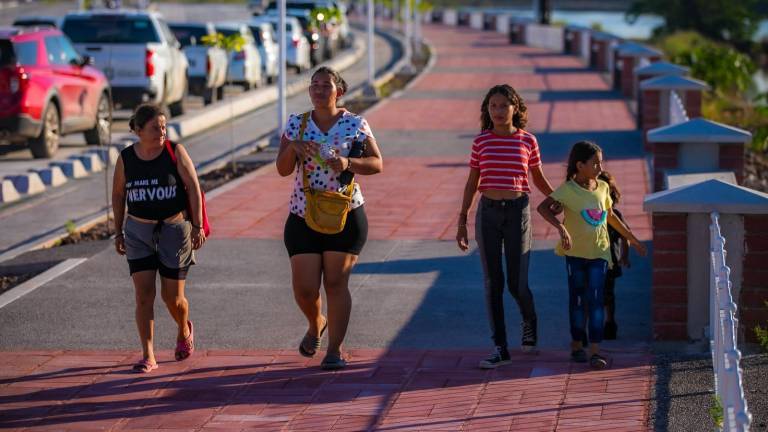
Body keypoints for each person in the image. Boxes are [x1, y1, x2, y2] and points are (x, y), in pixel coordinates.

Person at [276, 67, 383, 370]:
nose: (320, 90)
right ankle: (316, 323)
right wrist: (293, 148)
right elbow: (282, 169)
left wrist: (347, 162)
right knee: (305, 289)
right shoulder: (296, 124)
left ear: (339, 91)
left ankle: (334, 350)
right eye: (315, 85)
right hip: (303, 213)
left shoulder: (355, 124)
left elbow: (377, 163)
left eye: (326, 85)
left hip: (345, 214)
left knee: (336, 283)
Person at [456, 84, 558, 369]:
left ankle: (529, 320)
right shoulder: (481, 142)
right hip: (487, 213)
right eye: (493, 106)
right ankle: (500, 347)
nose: (498, 111)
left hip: (518, 213)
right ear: (487, 110)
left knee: (517, 283)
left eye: (503, 105)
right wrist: (462, 219)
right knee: (493, 283)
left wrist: (558, 199)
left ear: (516, 108)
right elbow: (472, 182)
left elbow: (537, 177)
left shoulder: (527, 141)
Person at [112, 103, 206, 373]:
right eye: (155, 128)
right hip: (138, 232)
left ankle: (183, 327)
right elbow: (118, 195)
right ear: (138, 130)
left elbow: (194, 188)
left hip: (174, 230)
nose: (162, 132)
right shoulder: (126, 158)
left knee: (172, 298)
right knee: (143, 296)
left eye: (164, 126)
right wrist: (118, 230)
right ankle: (148, 355)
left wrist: (197, 226)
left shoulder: (174, 151)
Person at [537, 141, 646, 370]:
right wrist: (561, 228)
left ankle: (596, 350)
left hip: (600, 253)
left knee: (596, 300)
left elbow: (611, 218)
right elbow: (543, 208)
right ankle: (577, 344)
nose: (600, 166)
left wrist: (632, 239)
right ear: (580, 165)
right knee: (578, 300)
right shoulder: (567, 190)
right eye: (595, 162)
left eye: (600, 162)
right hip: (575, 254)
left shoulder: (603, 187)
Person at [599, 171, 629, 340]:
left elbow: (626, 236)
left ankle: (610, 322)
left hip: (610, 261)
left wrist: (625, 256)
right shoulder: (589, 213)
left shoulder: (615, 215)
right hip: (593, 258)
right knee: (593, 293)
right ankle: (594, 324)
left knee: (608, 294)